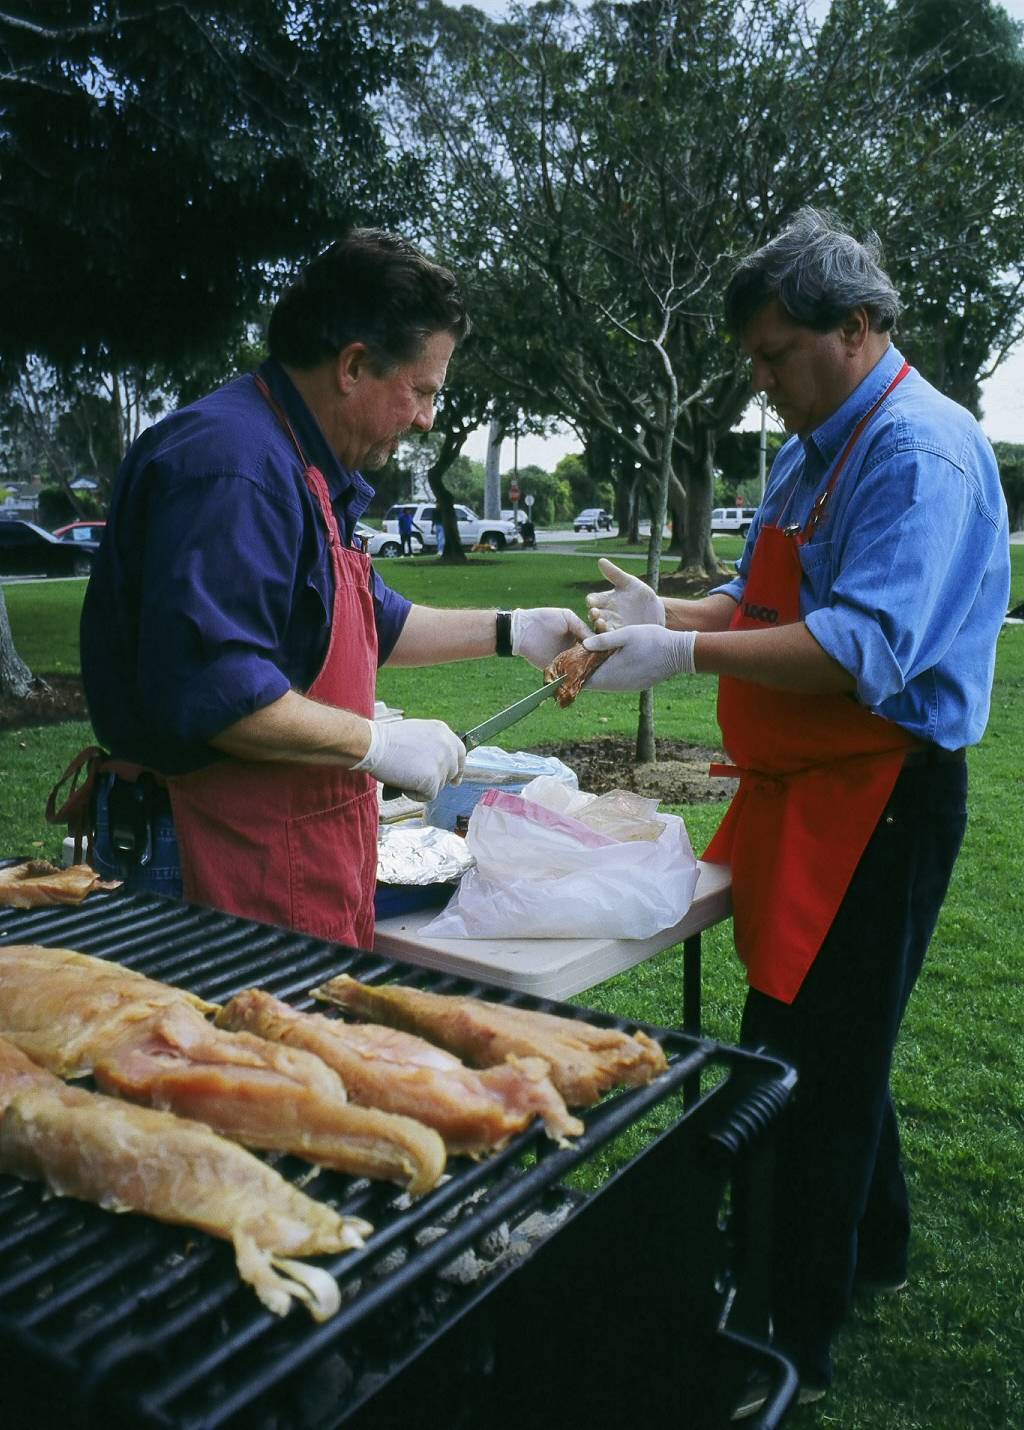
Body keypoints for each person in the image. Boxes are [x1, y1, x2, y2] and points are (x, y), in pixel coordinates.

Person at [580, 209, 1010, 1406]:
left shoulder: (919, 454)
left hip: (886, 793)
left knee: (813, 1060)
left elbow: (861, 644)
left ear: (857, 328)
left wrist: (688, 660)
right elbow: (756, 595)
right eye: (753, 361)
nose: (761, 383)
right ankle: (872, 1248)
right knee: (814, 1033)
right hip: (801, 789)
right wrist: (664, 616)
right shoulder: (813, 440)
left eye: (775, 355)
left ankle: (795, 1333)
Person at [76, 227, 587, 950]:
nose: (427, 419)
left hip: (288, 853)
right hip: (199, 857)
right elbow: (218, 691)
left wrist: (513, 629)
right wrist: (376, 743)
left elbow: (375, 618)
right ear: (353, 365)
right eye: (421, 391)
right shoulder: (234, 467)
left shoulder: (306, 462)